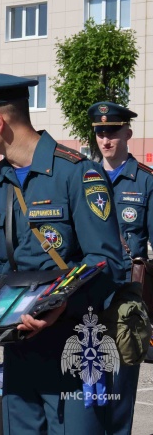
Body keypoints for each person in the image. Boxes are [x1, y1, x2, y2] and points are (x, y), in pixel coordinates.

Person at [0, 73, 125, 434]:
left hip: (77, 349)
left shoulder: (77, 174)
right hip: (18, 348)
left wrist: (60, 304)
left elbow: (106, 262)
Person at [88, 101, 151, 435]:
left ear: (128, 132)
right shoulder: (83, 175)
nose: (106, 139)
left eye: (112, 131)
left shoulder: (144, 181)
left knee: (123, 370)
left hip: (127, 288)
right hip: (89, 285)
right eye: (100, 132)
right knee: (87, 371)